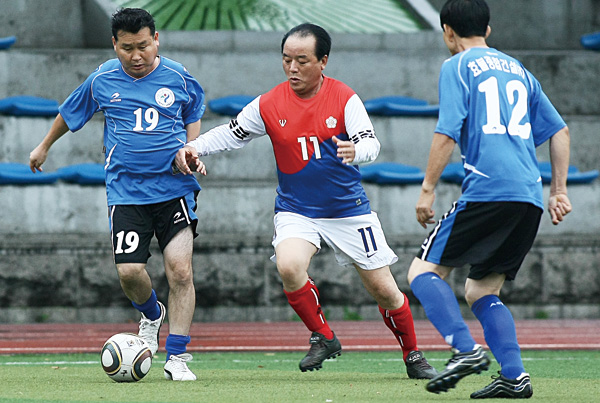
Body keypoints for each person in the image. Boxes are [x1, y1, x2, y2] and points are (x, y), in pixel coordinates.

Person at [173, 23, 437, 379]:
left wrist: (356, 150)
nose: (292, 68)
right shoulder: (269, 103)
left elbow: (371, 143)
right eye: (286, 60)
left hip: (347, 211)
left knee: (385, 290)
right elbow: (232, 133)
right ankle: (324, 336)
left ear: (323, 61)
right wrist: (194, 146)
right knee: (289, 266)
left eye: (302, 60)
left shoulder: (345, 98)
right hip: (296, 209)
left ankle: (413, 355)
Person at [29, 8, 206, 381]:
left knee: (180, 270)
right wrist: (44, 146)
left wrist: (192, 147)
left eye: (143, 46)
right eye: (127, 48)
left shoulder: (177, 75)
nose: (137, 55)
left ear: (156, 39)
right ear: (115, 45)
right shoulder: (102, 79)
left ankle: (177, 357)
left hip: (174, 189)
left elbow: (194, 108)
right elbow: (69, 112)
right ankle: (152, 314)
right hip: (126, 192)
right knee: (129, 272)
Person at [406, 0, 572, 398]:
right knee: (481, 291)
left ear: (448, 31)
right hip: (529, 197)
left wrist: (427, 189)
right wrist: (559, 191)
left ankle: (465, 350)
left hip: (488, 190)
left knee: (421, 274)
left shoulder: (457, 66)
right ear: (489, 30)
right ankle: (514, 377)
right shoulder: (520, 71)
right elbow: (560, 132)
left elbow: (446, 133)